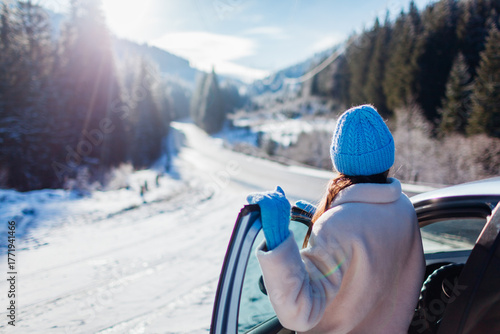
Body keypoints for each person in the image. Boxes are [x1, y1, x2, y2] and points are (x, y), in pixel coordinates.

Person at [247, 105, 425, 334]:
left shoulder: (336, 226)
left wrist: (279, 243)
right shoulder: (405, 209)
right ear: (387, 156)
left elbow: (299, 315)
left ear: (338, 161)